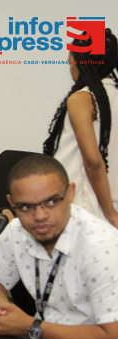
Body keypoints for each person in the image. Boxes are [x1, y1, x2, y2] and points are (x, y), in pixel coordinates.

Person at [0, 154, 118, 339]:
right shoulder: (18, 231)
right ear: (12, 203)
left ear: (70, 193)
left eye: (52, 202)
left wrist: (30, 326)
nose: (40, 216)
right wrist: (1, 309)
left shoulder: (102, 246)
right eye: (25, 207)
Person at [42, 29, 118, 227]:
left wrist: (110, 213)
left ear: (80, 62)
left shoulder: (83, 98)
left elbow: (93, 161)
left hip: (83, 208)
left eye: (70, 62)